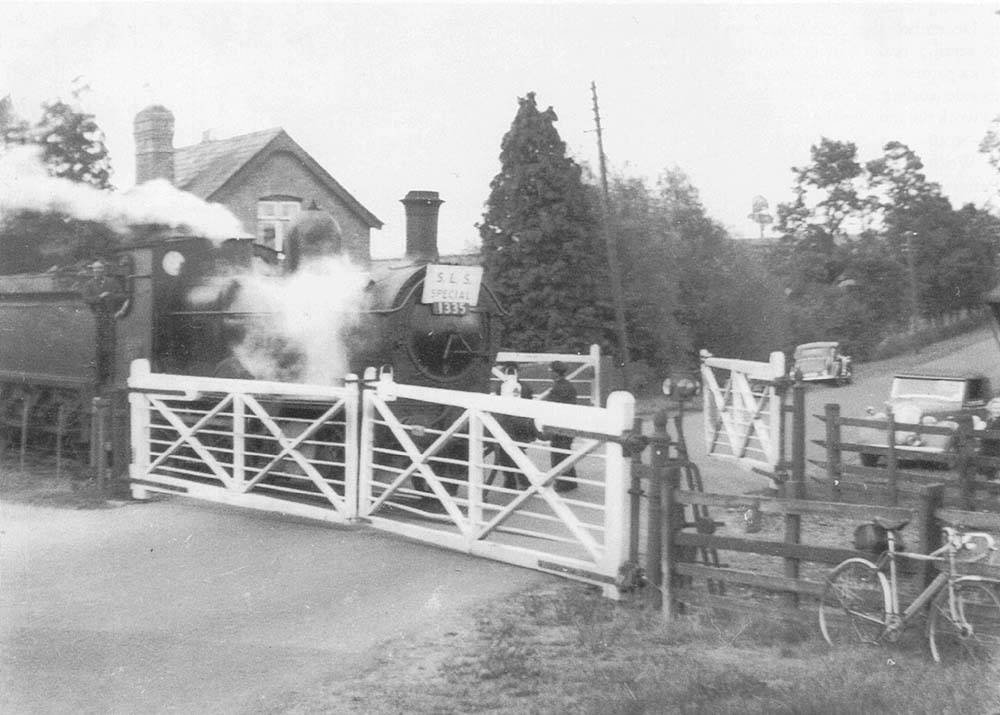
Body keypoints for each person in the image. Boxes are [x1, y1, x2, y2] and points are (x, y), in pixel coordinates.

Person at [494, 363, 536, 490]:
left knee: (510, 454)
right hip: (519, 424)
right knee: (513, 453)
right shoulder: (525, 387)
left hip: (510, 424)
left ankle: (519, 480)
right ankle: (514, 480)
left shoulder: (502, 386)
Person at [546, 361, 578, 492]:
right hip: (568, 423)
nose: (549, 374)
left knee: (559, 453)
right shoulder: (566, 385)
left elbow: (554, 406)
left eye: (550, 371)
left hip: (561, 425)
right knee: (564, 452)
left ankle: (563, 483)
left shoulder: (559, 388)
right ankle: (570, 481)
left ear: (555, 372)